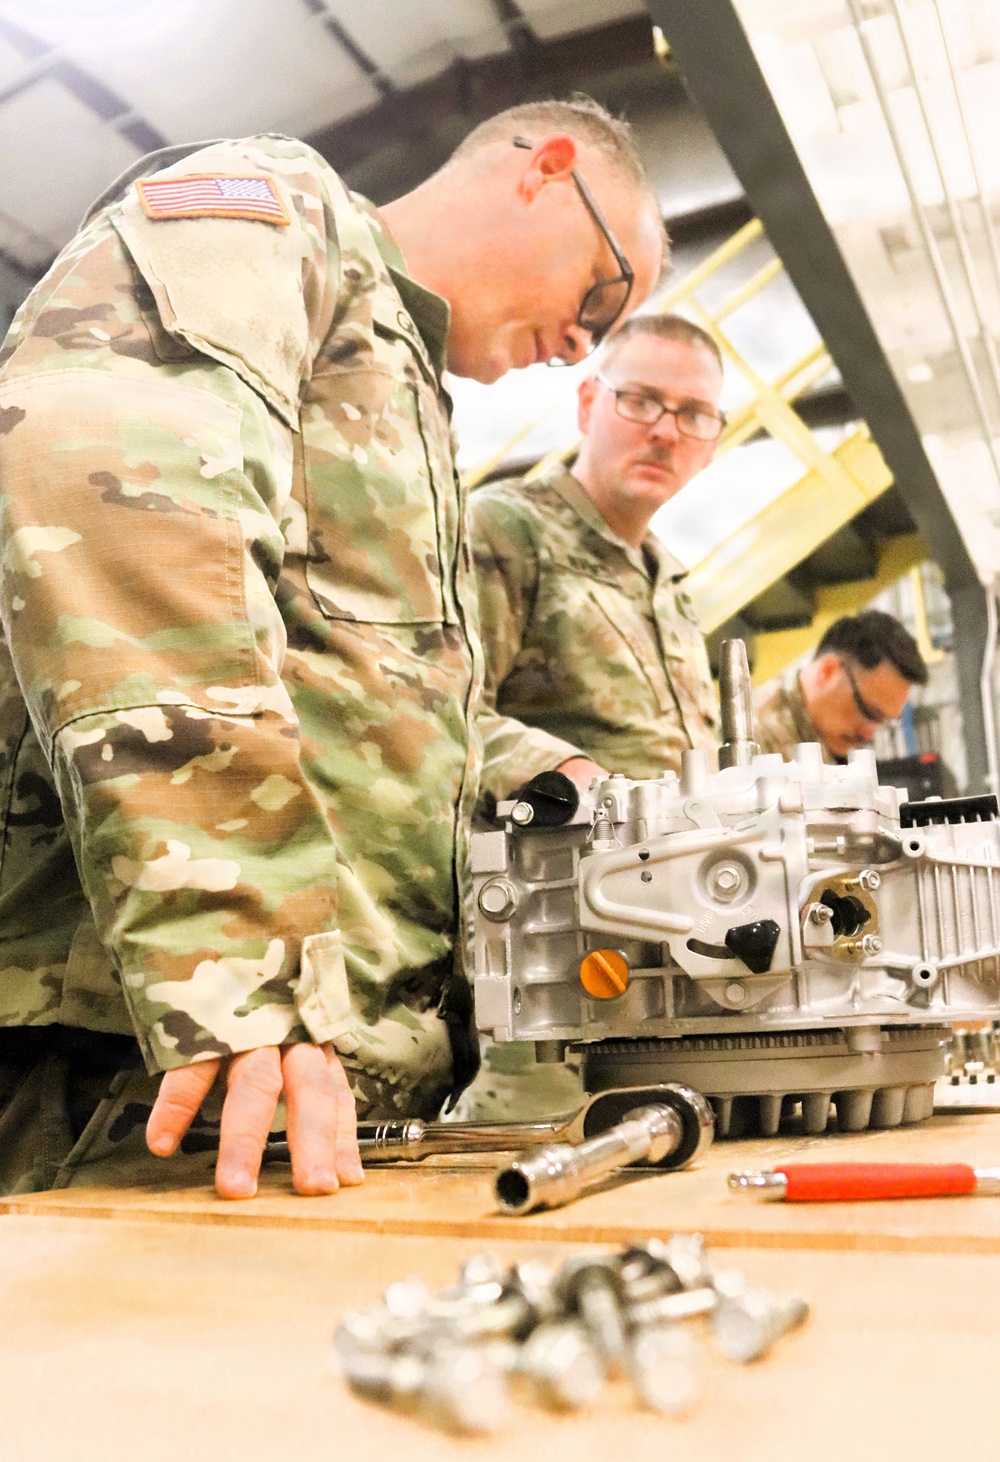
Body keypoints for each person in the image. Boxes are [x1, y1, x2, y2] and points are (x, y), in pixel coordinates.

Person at [0, 100, 665, 1198]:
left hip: (317, 1078)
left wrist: (531, 768)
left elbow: (356, 679)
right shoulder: (279, 215)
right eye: (601, 290)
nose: (579, 345)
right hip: (174, 1066)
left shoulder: (405, 385)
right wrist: (232, 957)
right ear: (545, 169)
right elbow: (106, 482)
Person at [472, 313, 723, 800]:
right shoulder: (507, 531)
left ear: (712, 444)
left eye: (693, 415)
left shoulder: (668, 584)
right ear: (587, 404)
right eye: (641, 401)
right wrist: (562, 770)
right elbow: (439, 715)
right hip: (561, 867)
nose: (666, 433)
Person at [753, 610, 928, 761]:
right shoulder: (754, 737)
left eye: (884, 721)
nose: (869, 734)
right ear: (827, 671)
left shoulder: (821, 745)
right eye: (868, 712)